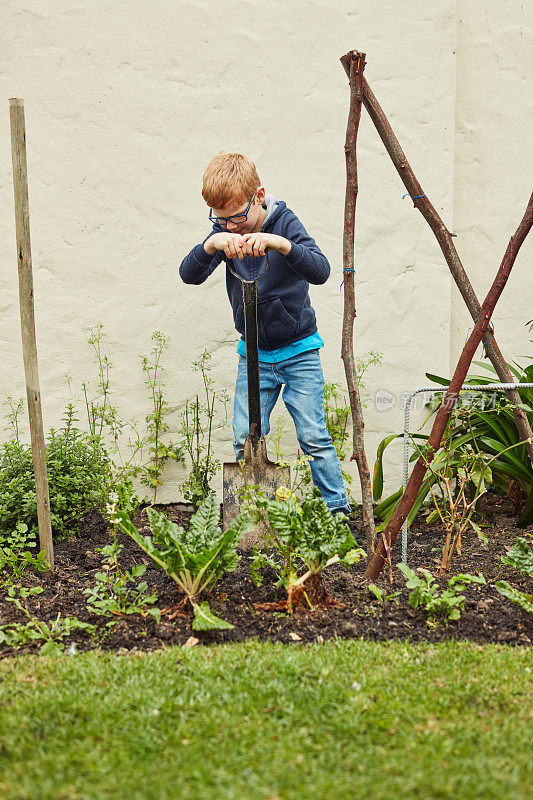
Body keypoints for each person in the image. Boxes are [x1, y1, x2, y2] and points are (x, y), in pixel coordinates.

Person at [179, 152, 356, 526]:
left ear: (259, 195)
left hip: (299, 352)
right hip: (254, 356)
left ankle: (338, 514)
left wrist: (279, 243)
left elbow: (321, 270)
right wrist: (212, 244)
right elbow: (189, 275)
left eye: (237, 217)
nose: (232, 227)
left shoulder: (285, 222)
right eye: (221, 219)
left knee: (313, 436)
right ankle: (254, 518)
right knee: (245, 436)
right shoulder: (225, 232)